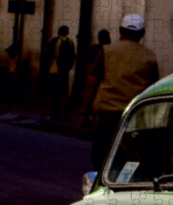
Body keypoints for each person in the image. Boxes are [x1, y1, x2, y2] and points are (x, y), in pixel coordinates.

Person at [79, 14, 159, 171]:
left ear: (120, 31)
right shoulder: (150, 57)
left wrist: (84, 113)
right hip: (135, 118)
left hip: (108, 117)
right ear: (142, 34)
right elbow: (153, 91)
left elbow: (91, 84)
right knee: (128, 160)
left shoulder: (107, 52)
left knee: (101, 158)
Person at [42, 25, 76, 120]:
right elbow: (73, 56)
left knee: (54, 92)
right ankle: (66, 112)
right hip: (65, 71)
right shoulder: (70, 42)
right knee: (64, 92)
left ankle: (54, 113)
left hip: (55, 69)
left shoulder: (55, 41)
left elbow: (48, 54)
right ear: (67, 32)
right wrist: (69, 67)